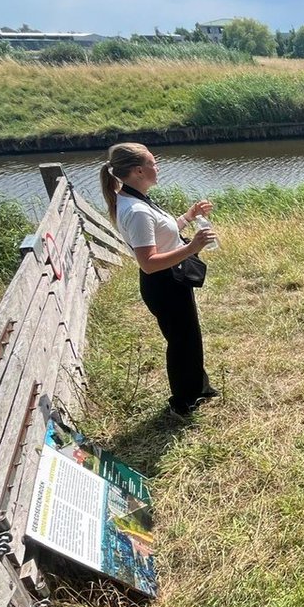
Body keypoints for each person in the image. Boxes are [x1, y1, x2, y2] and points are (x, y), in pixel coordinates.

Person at [99, 142, 219, 418]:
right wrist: (192, 248)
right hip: (164, 282)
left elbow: (162, 234)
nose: (158, 167)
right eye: (154, 163)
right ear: (139, 170)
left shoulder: (134, 198)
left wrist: (188, 217)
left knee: (189, 338)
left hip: (171, 278)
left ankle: (198, 389)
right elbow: (149, 263)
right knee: (180, 342)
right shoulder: (137, 211)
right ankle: (181, 403)